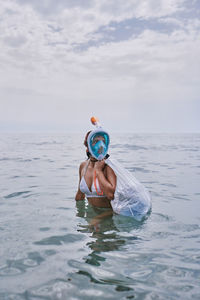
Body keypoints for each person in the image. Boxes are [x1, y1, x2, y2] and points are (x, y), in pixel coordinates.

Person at [75, 130, 116, 209]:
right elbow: (80, 195)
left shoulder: (108, 166)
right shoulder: (83, 166)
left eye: (103, 141)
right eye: (96, 141)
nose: (100, 145)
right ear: (88, 145)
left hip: (109, 216)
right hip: (91, 216)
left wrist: (98, 171)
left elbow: (111, 195)